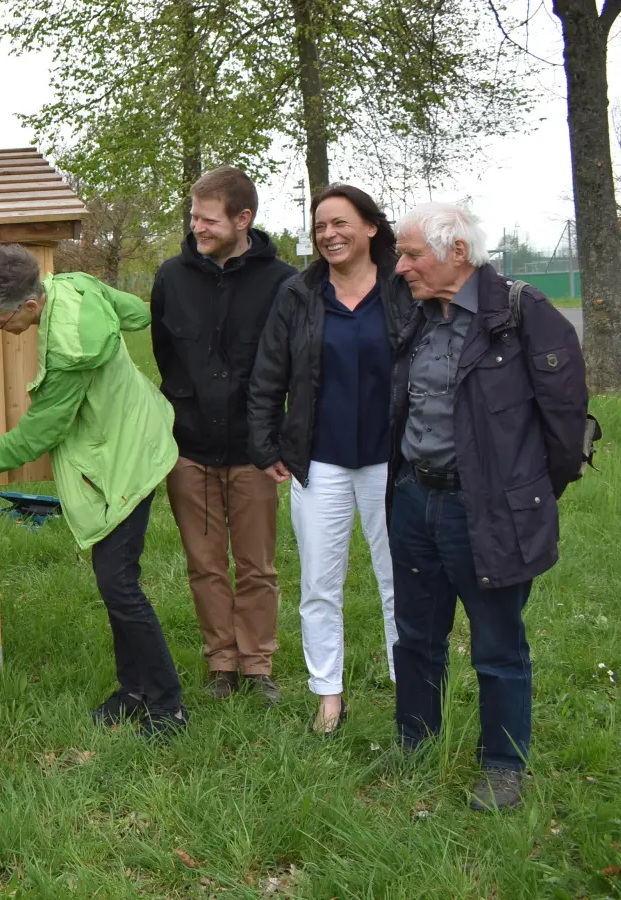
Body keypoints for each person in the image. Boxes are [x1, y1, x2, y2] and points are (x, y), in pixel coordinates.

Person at [0, 244, 187, 737]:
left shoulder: (70, 349)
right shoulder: (75, 285)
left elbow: (38, 435)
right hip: (133, 436)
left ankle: (167, 706)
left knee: (120, 584)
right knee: (116, 580)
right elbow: (134, 313)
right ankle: (134, 693)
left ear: (29, 304)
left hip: (125, 457)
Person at [388, 202, 588, 811]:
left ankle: (502, 765)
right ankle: (415, 744)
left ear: (456, 253)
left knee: (498, 644)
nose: (400, 267)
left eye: (411, 254)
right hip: (414, 500)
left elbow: (564, 428)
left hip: (487, 510)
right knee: (416, 635)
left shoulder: (525, 315)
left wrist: (520, 499)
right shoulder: (417, 317)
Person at [249, 184, 411, 733]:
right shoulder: (299, 295)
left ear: (369, 227)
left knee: (400, 582)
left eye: (339, 223)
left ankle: (408, 692)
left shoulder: (402, 287)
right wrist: (267, 444)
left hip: (394, 462)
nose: (328, 235)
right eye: (320, 226)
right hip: (320, 463)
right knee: (320, 584)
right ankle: (329, 698)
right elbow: (268, 375)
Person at [151, 167, 297, 704]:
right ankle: (221, 664)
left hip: (255, 451)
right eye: (193, 216)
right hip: (188, 449)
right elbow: (166, 354)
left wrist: (276, 440)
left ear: (243, 219)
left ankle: (258, 666)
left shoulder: (283, 282)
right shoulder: (172, 277)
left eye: (208, 219)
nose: (197, 227)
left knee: (257, 565)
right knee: (205, 564)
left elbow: (289, 367)